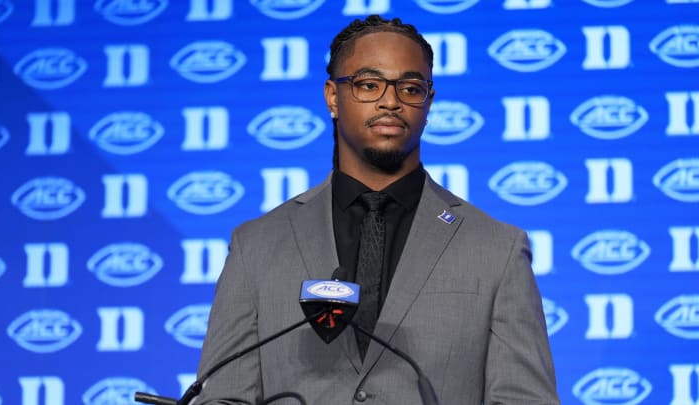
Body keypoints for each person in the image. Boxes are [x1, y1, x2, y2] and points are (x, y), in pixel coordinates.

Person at [194, 15, 559, 405]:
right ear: (333, 97)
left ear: (428, 102)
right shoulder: (256, 246)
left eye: (410, 87)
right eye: (369, 85)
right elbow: (225, 396)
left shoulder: (496, 249)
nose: (391, 101)